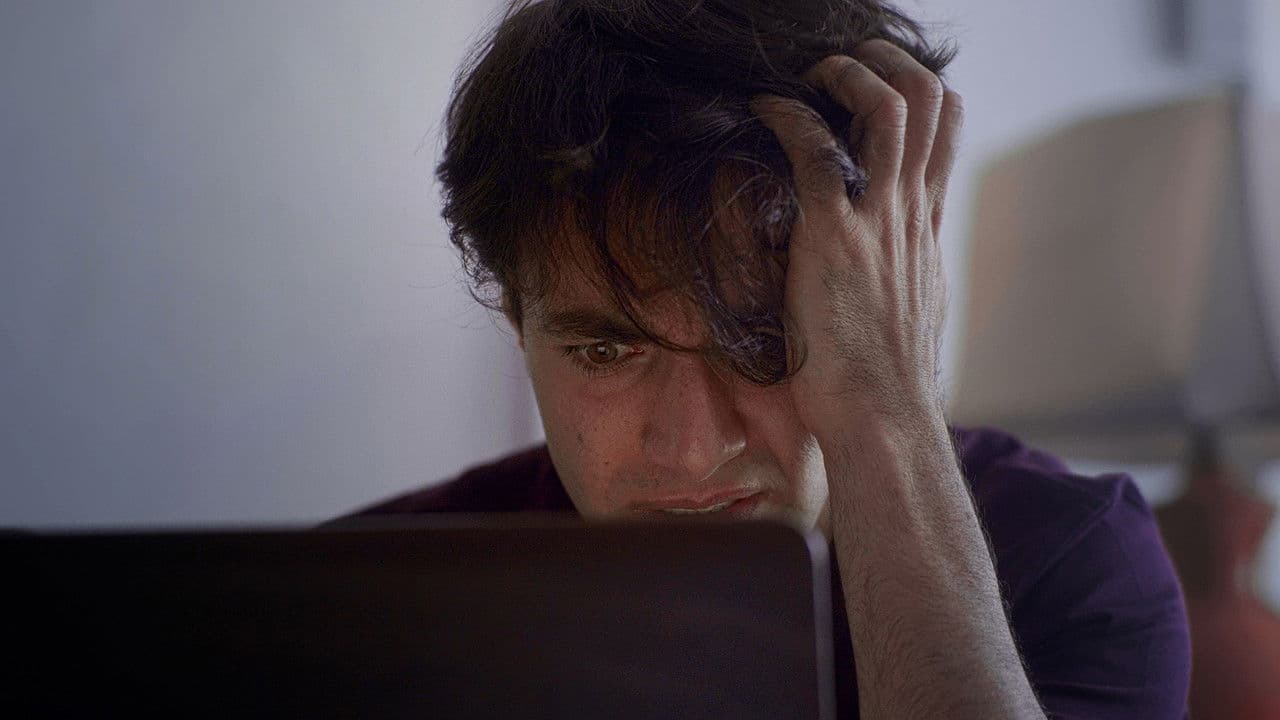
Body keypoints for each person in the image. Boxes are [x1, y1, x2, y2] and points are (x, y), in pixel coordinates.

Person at [346, 0, 1192, 716]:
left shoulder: (1070, 564)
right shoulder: (368, 601)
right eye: (605, 350)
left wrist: (886, 411)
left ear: (891, 306)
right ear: (516, 320)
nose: (692, 450)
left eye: (765, 341)